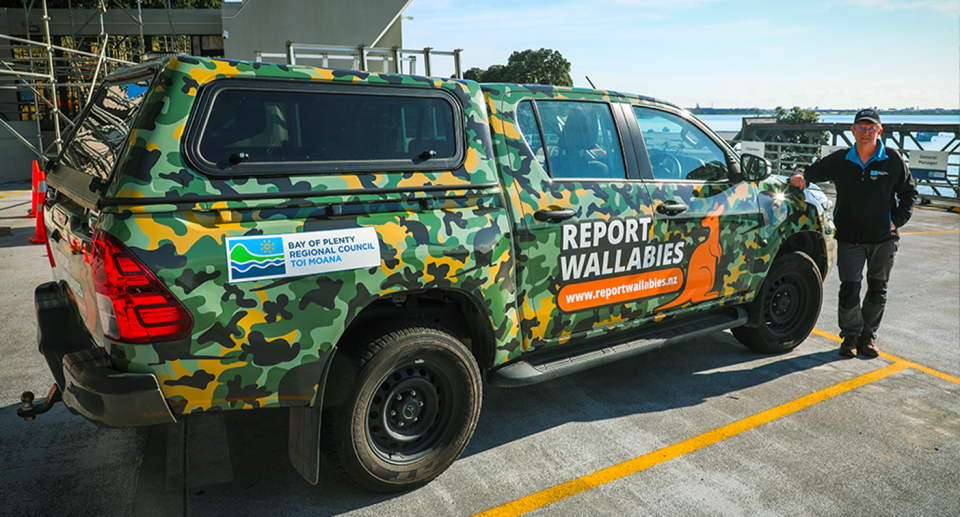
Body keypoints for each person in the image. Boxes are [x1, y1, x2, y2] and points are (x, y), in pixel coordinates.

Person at [789, 108, 918, 358]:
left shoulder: (891, 160)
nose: (866, 132)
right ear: (853, 131)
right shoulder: (841, 160)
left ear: (879, 131)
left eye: (871, 128)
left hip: (884, 239)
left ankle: (867, 336)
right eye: (861, 127)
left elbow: (909, 194)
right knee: (849, 288)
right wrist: (799, 175)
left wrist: (895, 221)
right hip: (850, 238)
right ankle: (849, 336)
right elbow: (810, 171)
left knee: (877, 289)